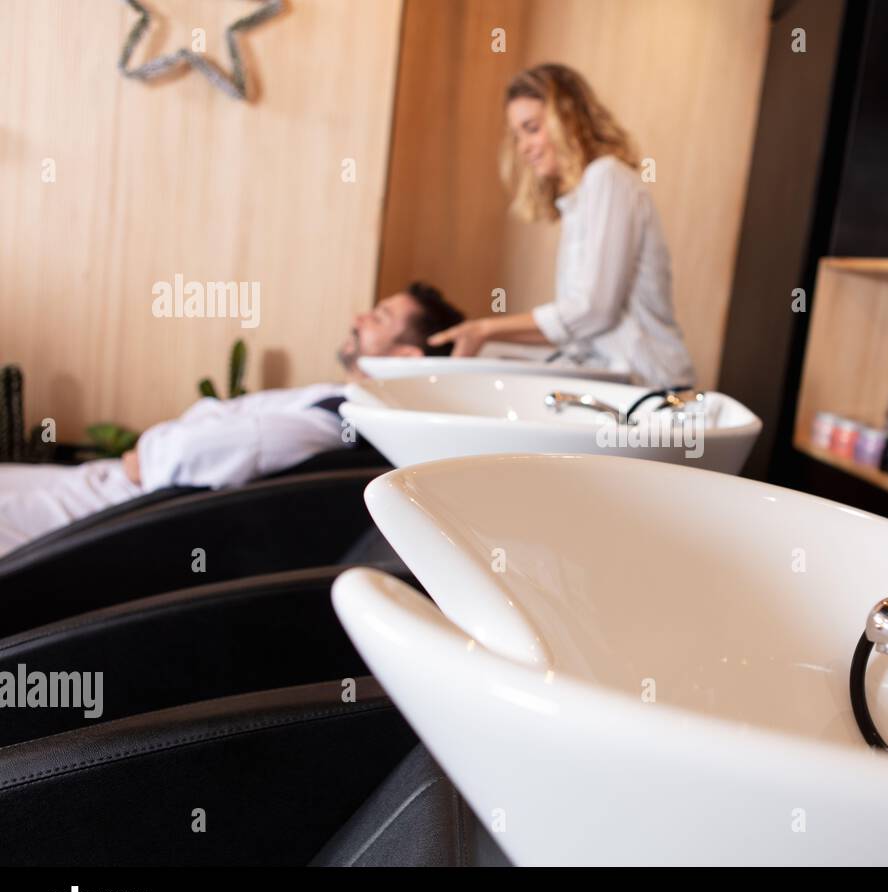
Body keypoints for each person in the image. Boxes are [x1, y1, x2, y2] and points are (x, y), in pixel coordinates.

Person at [0, 283, 461, 558]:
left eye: (378, 317)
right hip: (113, 477)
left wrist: (150, 452)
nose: (360, 317)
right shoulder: (337, 397)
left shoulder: (335, 420)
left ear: (405, 356)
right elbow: (220, 417)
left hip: (117, 499)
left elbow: (209, 447)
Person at [428, 63, 696, 390]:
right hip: (620, 382)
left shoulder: (607, 178)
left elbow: (594, 311)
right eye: (517, 135)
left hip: (651, 385)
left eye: (532, 128)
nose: (524, 147)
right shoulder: (579, 200)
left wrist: (486, 329)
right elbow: (577, 328)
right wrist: (489, 339)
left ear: (567, 119)